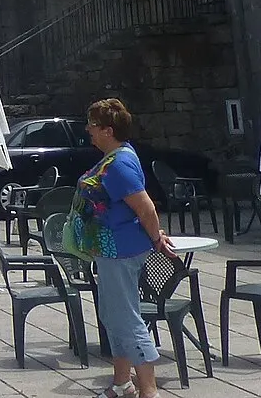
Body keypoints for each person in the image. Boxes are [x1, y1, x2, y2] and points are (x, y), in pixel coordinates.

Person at [81, 97, 176, 398]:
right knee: (112, 316)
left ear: (108, 130)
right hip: (110, 250)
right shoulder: (115, 157)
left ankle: (149, 391)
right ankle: (122, 383)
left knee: (127, 319)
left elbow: (146, 209)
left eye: (93, 126)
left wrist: (156, 239)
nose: (88, 131)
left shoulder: (120, 163)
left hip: (122, 251)